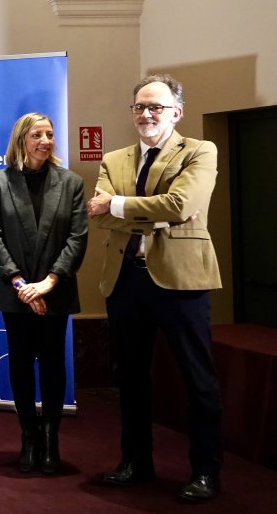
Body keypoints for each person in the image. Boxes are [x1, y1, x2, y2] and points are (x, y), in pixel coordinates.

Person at [86, 74, 224, 502]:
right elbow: (98, 215)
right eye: (140, 107)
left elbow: (182, 204)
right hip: (126, 279)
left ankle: (206, 472)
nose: (146, 114)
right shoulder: (115, 159)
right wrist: (157, 215)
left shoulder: (200, 150)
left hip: (180, 279)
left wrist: (119, 204)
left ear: (176, 112)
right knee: (130, 378)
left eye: (156, 107)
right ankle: (135, 463)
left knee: (197, 379)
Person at [0, 112, 87, 475]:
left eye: (49, 134)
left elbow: (77, 238)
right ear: (21, 140)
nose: (45, 141)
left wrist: (48, 283)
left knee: (54, 364)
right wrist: (22, 285)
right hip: (15, 292)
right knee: (21, 364)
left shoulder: (71, 183)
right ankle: (29, 436)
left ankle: (51, 437)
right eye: (37, 135)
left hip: (55, 290)